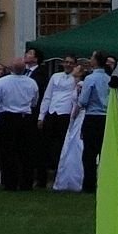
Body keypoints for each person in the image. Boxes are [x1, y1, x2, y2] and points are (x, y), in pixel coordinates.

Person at [0, 53, 40, 189]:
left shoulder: (1, 82)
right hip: (25, 118)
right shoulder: (31, 83)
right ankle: (26, 182)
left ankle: (10, 182)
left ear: (11, 68)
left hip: (8, 118)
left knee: (8, 152)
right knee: (25, 152)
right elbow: (35, 101)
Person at [42, 57, 83, 192]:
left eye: (71, 63)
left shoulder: (77, 79)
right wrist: (42, 115)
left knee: (61, 145)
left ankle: (59, 173)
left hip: (66, 113)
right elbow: (48, 95)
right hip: (52, 112)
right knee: (48, 145)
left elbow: (76, 98)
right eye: (66, 62)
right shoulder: (55, 76)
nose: (68, 65)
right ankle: (47, 174)